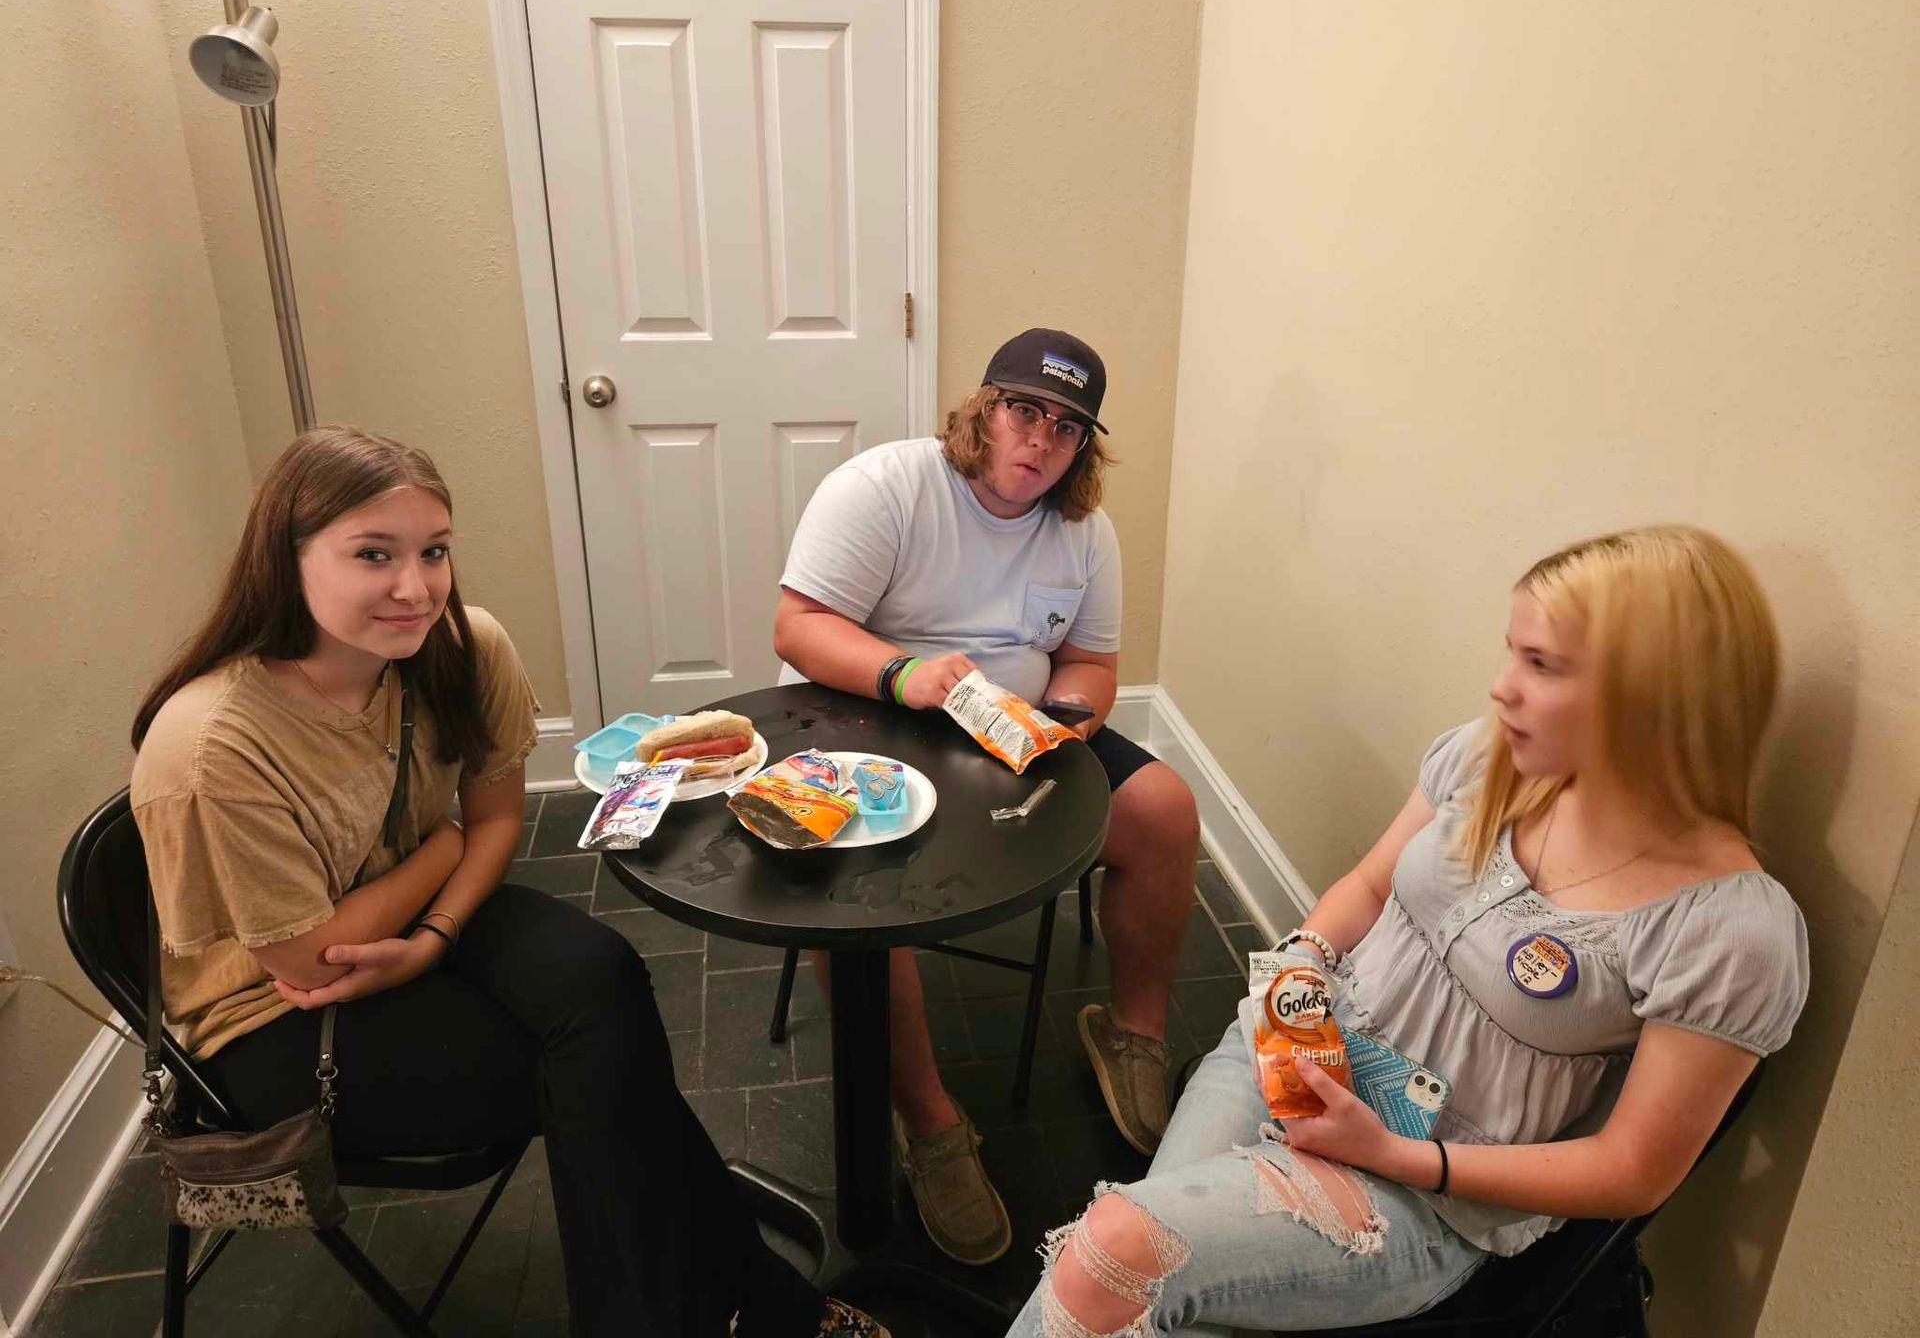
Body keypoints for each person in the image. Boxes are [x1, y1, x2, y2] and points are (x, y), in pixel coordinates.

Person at [130, 426, 884, 1338]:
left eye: (434, 551)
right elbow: (305, 956)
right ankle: (758, 1304)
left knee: (604, 975)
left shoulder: (461, 646)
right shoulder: (212, 745)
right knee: (594, 1073)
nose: (416, 587)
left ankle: (716, 1309)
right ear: (285, 558)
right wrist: (442, 854)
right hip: (270, 1019)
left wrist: (435, 930)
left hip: (405, 923)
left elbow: (490, 821)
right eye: (374, 554)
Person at [1008, 524, 1810, 1335]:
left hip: (1425, 1191)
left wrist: (1395, 1155)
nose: (1503, 689)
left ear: (1654, 694)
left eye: (1542, 665)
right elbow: (1365, 884)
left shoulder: (1729, 931)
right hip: (1300, 1051)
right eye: (1512, 654)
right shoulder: (1493, 759)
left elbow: (1632, 1171)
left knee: (1118, 1249)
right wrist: (1303, 963)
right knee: (1149, 1292)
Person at [774, 329, 1202, 1265]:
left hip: (1021, 731)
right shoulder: (885, 487)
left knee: (1166, 810)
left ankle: (1132, 1033)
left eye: (1068, 426)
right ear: (982, 409)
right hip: (874, 716)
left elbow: (1091, 660)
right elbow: (799, 626)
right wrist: (904, 675)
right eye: (1024, 410)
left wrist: (1071, 718)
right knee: (846, 896)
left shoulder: (1087, 528)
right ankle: (928, 1120)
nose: (1042, 439)